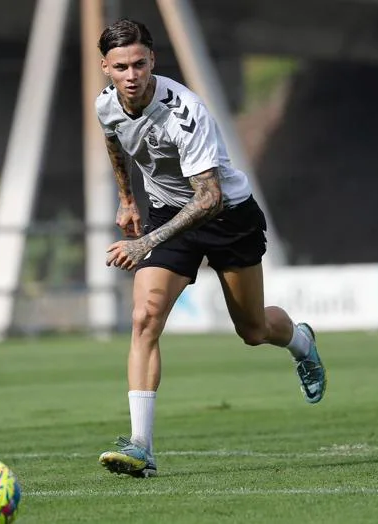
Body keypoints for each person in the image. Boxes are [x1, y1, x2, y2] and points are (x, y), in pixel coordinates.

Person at [93, 18, 326, 477]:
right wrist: (126, 200)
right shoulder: (107, 105)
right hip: (165, 214)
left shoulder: (185, 111)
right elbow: (113, 141)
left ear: (153, 60)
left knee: (253, 330)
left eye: (140, 63)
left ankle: (301, 341)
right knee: (145, 317)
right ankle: (142, 446)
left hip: (226, 218)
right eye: (121, 66)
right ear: (106, 67)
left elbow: (210, 196)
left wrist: (145, 244)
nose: (132, 75)